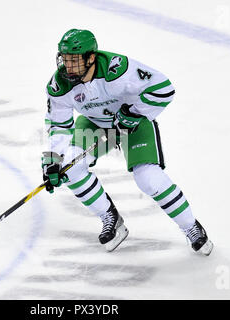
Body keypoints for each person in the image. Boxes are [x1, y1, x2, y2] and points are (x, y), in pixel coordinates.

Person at [42, 28, 213, 255]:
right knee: (70, 168)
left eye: (74, 60)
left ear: (91, 58)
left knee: (149, 179)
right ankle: (110, 218)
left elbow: (164, 88)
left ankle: (191, 227)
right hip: (95, 124)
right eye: (65, 60)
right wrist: (56, 159)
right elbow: (59, 127)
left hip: (133, 122)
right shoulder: (59, 85)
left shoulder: (117, 69)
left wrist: (132, 113)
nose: (67, 67)